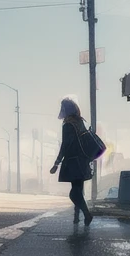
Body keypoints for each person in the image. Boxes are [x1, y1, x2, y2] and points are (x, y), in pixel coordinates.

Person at [50, 96, 94, 226]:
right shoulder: (79, 122)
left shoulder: (68, 124)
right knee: (78, 189)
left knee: (74, 193)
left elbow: (65, 144)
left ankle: (86, 214)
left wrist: (56, 163)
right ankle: (77, 217)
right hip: (83, 160)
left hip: (73, 161)